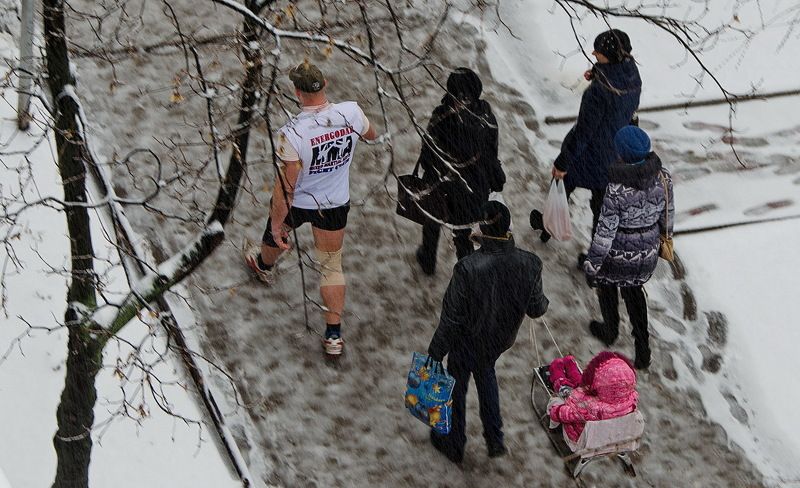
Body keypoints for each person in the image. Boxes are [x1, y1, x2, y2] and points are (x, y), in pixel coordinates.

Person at [244, 61, 377, 357]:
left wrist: (277, 225)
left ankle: (263, 266)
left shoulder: (292, 133)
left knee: (273, 238)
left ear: (297, 93)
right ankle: (333, 335)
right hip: (334, 203)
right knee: (331, 266)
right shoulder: (351, 112)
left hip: (301, 203)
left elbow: (286, 188)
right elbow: (372, 135)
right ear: (325, 83)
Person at [426, 201, 549, 463]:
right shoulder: (530, 264)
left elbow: (451, 317)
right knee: (486, 374)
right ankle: (495, 439)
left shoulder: (467, 268)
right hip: (498, 340)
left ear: (482, 229)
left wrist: (436, 351)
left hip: (465, 341)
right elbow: (537, 309)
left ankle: (453, 443)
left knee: (457, 388)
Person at [530, 29, 641, 251]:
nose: (593, 53)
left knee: (561, 183)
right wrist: (598, 72)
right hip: (615, 154)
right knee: (601, 208)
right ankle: (596, 254)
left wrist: (562, 163)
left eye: (598, 52)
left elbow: (584, 131)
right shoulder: (632, 76)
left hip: (590, 154)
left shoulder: (599, 92)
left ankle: (548, 226)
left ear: (610, 55)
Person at [582, 126, 674, 369]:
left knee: (607, 284)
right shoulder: (663, 177)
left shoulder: (615, 190)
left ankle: (610, 329)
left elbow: (604, 234)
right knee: (634, 292)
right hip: (646, 254)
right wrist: (658, 241)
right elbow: (668, 216)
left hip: (618, 255)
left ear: (621, 154)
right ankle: (643, 349)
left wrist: (592, 266)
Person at [415, 67, 506, 275]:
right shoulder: (486, 117)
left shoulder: (442, 115)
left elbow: (429, 152)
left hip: (442, 183)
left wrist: (431, 171)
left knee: (432, 221)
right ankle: (466, 278)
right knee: (463, 234)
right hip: (472, 187)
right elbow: (492, 153)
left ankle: (428, 259)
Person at [547, 351, 638, 448]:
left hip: (581, 440)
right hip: (607, 438)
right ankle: (570, 366)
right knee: (582, 384)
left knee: (561, 396)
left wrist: (556, 410)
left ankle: (553, 428)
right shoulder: (632, 400)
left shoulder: (589, 408)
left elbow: (560, 414)